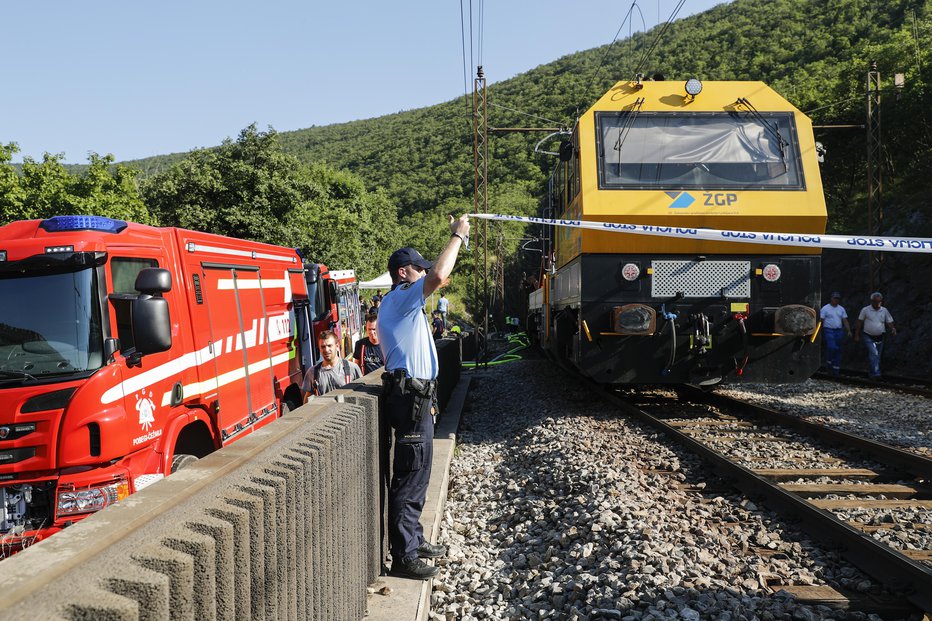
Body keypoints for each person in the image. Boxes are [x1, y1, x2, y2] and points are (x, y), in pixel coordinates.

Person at [378, 214, 469, 580]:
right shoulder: (401, 297)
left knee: (417, 473)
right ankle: (404, 556)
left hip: (416, 396)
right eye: (418, 269)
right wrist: (458, 236)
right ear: (404, 273)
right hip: (410, 397)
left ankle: (414, 540)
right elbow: (440, 276)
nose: (423, 275)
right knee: (411, 477)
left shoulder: (398, 303)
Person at [302, 330, 362, 401]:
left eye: (329, 346)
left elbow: (361, 395)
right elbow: (307, 401)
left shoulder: (352, 368)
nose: (326, 350)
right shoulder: (312, 373)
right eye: (323, 347)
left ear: (337, 346)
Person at [854, 292, 896, 378]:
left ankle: (872, 372)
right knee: (874, 353)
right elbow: (859, 322)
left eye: (880, 301)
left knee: (877, 356)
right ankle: (877, 373)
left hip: (880, 337)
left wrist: (893, 328)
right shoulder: (865, 310)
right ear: (872, 301)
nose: (878, 303)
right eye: (876, 302)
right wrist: (856, 334)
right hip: (868, 335)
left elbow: (889, 321)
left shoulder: (884, 310)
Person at [819, 292, 851, 375]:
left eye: (837, 299)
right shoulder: (825, 308)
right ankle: (829, 362)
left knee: (839, 349)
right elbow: (821, 320)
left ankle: (835, 369)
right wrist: (817, 331)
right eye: (835, 298)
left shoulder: (841, 309)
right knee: (831, 347)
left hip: (839, 331)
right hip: (828, 330)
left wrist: (848, 330)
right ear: (831, 298)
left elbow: (845, 320)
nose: (836, 300)